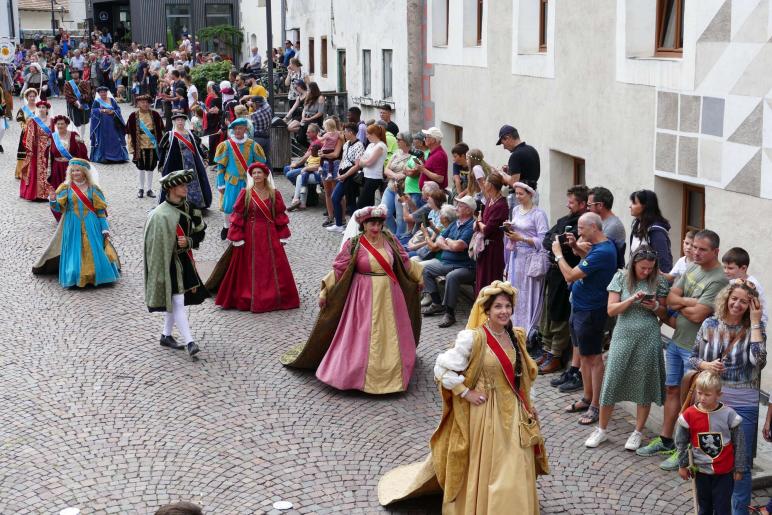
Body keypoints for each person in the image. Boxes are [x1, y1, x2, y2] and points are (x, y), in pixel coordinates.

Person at [377, 281, 548, 513]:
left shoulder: (516, 337)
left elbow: (523, 377)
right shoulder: (473, 338)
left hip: (514, 409)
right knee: (492, 464)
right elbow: (442, 369)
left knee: (516, 461)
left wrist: (530, 405)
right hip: (485, 412)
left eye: (507, 306)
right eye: (498, 306)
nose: (504, 311)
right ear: (486, 310)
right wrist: (466, 392)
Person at [280, 205, 424, 395]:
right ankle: (355, 374)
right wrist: (326, 290)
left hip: (390, 294)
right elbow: (340, 269)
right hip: (362, 296)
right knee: (362, 333)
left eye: (379, 224)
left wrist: (418, 277)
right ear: (363, 225)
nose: (376, 228)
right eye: (372, 224)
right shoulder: (354, 244)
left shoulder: (389, 240)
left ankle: (390, 372)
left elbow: (404, 260)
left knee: (389, 332)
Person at [636, 230, 729, 470]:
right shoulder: (692, 267)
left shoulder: (718, 279)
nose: (695, 252)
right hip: (677, 340)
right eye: (694, 247)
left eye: (702, 249)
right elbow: (671, 300)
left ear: (715, 252)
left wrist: (684, 302)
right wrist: (691, 301)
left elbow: (700, 315)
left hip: (696, 349)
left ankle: (685, 450)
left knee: (694, 399)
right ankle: (667, 439)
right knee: (672, 390)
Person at [688, 280, 765, 513]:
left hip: (744, 404)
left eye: (744, 301)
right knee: (708, 459)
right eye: (734, 299)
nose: (737, 304)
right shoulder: (709, 324)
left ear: (751, 305)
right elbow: (692, 357)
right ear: (726, 298)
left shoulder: (756, 328)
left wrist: (754, 323)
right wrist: (705, 364)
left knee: (741, 463)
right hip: (711, 403)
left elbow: (759, 361)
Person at [583, 246, 670, 449]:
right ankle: (602, 430)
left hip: (648, 336)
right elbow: (611, 310)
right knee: (612, 380)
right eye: (643, 268)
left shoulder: (659, 281)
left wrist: (656, 307)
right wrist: (631, 300)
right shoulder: (621, 277)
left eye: (650, 268)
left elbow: (665, 314)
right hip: (623, 334)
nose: (647, 272)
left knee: (644, 383)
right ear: (634, 265)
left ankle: (637, 432)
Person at [206, 162, 300, 313]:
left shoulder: (274, 194)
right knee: (250, 266)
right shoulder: (246, 193)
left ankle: (274, 297)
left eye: (259, 173)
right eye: (254, 173)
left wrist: (282, 235)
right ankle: (249, 297)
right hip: (250, 235)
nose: (256, 175)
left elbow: (279, 215)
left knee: (272, 267)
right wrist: (237, 236)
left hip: (270, 235)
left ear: (265, 175)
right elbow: (237, 216)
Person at [553, 212, 618, 425]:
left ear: (593, 227)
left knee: (593, 358)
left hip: (591, 311)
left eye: (581, 229)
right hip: (580, 307)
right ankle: (587, 397)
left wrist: (559, 255)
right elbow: (587, 262)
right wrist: (575, 248)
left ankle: (596, 405)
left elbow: (571, 275)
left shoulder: (604, 251)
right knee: (585, 356)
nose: (578, 233)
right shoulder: (597, 248)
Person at [143, 169, 209, 358]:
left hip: (184, 261)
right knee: (178, 300)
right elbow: (153, 246)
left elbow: (200, 232)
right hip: (167, 263)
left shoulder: (192, 208)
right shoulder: (159, 214)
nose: (185, 188)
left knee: (176, 300)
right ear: (171, 189)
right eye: (181, 185)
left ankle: (166, 335)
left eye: (186, 185)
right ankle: (190, 342)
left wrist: (189, 241)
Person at [33, 158, 120, 288]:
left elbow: (100, 211)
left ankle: (95, 276)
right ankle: (75, 276)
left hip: (91, 223)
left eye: (78, 170)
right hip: (72, 223)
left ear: (85, 172)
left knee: (93, 249)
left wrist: (105, 228)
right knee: (75, 250)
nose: (75, 173)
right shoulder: (65, 188)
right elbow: (58, 208)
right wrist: (52, 201)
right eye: (72, 171)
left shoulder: (93, 189)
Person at [675, 373, 746, 515]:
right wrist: (682, 465)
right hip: (701, 471)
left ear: (719, 394)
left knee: (722, 509)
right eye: (699, 393)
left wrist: (739, 468)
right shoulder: (689, 415)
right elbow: (681, 442)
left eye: (707, 394)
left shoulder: (729, 414)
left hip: (724, 472)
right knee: (704, 507)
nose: (702, 398)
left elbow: (739, 442)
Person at [537, 186, 586, 378]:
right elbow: (547, 240)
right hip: (553, 272)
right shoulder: (564, 220)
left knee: (559, 314)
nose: (568, 205)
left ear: (582, 204)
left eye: (572, 202)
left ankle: (556, 354)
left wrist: (557, 244)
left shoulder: (581, 224)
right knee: (548, 313)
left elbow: (562, 246)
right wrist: (555, 243)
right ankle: (547, 350)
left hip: (565, 274)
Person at [422, 195, 477, 328]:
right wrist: (449, 245)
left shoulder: (471, 226)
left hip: (465, 266)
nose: (456, 208)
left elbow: (459, 246)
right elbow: (440, 239)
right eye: (457, 205)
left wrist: (448, 243)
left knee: (452, 277)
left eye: (460, 206)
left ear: (469, 210)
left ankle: (450, 313)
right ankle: (436, 303)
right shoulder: (455, 223)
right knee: (424, 268)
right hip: (447, 263)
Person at [504, 182, 549, 338]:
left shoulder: (538, 214)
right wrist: (509, 229)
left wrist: (521, 238)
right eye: (516, 193)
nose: (518, 197)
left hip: (530, 259)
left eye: (521, 194)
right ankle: (513, 325)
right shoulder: (516, 210)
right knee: (515, 291)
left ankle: (528, 331)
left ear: (530, 194)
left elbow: (543, 240)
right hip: (516, 257)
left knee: (528, 293)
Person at [214, 118, 267, 240]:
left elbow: (261, 164)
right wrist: (220, 183)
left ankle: (245, 227)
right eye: (236, 129)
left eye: (240, 128)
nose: (238, 131)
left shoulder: (253, 145)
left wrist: (259, 180)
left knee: (248, 206)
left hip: (248, 181)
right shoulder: (226, 145)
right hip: (231, 181)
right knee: (228, 206)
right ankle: (226, 226)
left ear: (245, 129)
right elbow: (220, 167)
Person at [158, 113, 212, 210]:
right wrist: (161, 163)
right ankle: (178, 205)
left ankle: (195, 205)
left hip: (193, 165)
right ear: (174, 122)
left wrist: (204, 158)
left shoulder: (190, 134)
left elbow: (198, 148)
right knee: (178, 184)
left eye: (182, 120)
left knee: (194, 184)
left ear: (185, 122)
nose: (180, 122)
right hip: (176, 165)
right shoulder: (170, 135)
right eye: (178, 120)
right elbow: (162, 150)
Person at [473, 173, 509, 295]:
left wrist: (479, 222)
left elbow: (487, 229)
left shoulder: (501, 205)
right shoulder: (489, 200)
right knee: (481, 280)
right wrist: (480, 223)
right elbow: (482, 223)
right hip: (484, 248)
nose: (484, 184)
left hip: (494, 250)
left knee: (490, 280)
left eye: (486, 182)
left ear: (492, 186)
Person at [328, 122, 365, 232]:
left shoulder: (359, 145)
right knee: (335, 197)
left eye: (345, 131)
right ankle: (339, 224)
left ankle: (354, 227)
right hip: (343, 174)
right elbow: (343, 160)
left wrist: (345, 175)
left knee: (351, 202)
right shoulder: (346, 144)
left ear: (351, 132)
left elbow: (357, 165)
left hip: (351, 176)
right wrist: (340, 173)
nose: (344, 133)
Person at [126, 94, 165, 199]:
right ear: (138, 103)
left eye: (147, 102)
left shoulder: (156, 115)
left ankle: (149, 189)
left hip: (153, 146)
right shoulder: (133, 116)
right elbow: (129, 133)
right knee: (140, 167)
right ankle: (141, 188)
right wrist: (131, 147)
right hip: (140, 146)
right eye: (142, 102)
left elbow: (162, 131)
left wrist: (162, 146)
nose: (145, 104)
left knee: (151, 168)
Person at [48, 115, 88, 209]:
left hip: (72, 169)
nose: (60, 126)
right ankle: (61, 212)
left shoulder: (74, 135)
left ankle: (75, 210)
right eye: (58, 124)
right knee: (59, 190)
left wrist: (84, 165)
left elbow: (83, 150)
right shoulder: (52, 137)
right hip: (57, 168)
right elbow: (48, 154)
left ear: (67, 125)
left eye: (62, 124)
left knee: (73, 190)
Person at [628, 189, 673, 272]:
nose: (630, 206)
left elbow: (663, 263)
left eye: (634, 203)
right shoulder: (637, 224)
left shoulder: (656, 232)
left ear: (645, 206)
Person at [722, 247, 768, 323]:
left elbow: (756, 312)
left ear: (743, 268)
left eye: (730, 268)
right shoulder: (733, 280)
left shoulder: (752, 285)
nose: (725, 271)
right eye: (724, 267)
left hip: (752, 325)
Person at [381, 131, 413, 237]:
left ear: (406, 141)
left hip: (402, 189)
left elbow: (408, 172)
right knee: (384, 213)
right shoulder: (396, 153)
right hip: (391, 186)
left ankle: (399, 239)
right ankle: (395, 236)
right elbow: (386, 170)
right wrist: (395, 175)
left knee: (400, 217)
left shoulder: (412, 155)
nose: (397, 141)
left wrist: (398, 175)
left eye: (399, 140)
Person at [20, 100, 52, 201]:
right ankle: (36, 194)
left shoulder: (52, 121)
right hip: (36, 149)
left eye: (44, 107)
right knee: (35, 170)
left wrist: (51, 142)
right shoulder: (34, 120)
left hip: (48, 148)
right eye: (40, 107)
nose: (42, 109)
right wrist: (31, 147)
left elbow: (55, 134)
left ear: (47, 109)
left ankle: (46, 193)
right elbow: (29, 135)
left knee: (48, 168)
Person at [89, 86, 129, 163]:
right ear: (99, 93)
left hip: (113, 124)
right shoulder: (97, 101)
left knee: (115, 139)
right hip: (102, 126)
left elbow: (118, 109)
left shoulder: (112, 100)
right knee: (104, 140)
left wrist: (113, 112)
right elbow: (93, 111)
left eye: (104, 92)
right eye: (101, 92)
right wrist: (103, 110)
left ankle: (119, 157)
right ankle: (105, 158)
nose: (103, 93)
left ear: (107, 93)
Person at [588, 186, 626, 265]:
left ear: (600, 205)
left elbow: (594, 250)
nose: (587, 208)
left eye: (589, 204)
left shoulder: (613, 226)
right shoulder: (598, 221)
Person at [495, 124, 540, 191]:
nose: (504, 147)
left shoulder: (515, 156)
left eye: (503, 143)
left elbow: (514, 182)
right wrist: (511, 171)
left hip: (520, 197)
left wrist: (502, 174)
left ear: (507, 138)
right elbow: (527, 173)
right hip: (532, 194)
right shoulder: (532, 150)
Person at [356, 124, 388, 208]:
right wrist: (363, 161)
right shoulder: (370, 145)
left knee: (361, 203)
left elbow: (369, 162)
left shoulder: (380, 146)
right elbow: (363, 159)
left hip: (374, 178)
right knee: (368, 203)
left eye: (367, 134)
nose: (366, 136)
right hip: (366, 176)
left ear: (373, 134)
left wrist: (362, 162)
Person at [287, 142, 322, 211]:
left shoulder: (321, 156)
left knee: (299, 177)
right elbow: (306, 162)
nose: (311, 152)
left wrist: (306, 168)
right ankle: (299, 200)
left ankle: (298, 200)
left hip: (320, 174)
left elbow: (320, 166)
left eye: (313, 150)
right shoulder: (311, 156)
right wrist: (306, 167)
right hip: (310, 171)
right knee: (301, 176)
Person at [15, 88, 38, 180]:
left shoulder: (39, 107)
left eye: (33, 96)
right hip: (25, 133)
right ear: (27, 97)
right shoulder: (23, 109)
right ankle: (20, 172)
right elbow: (19, 119)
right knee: (23, 151)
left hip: (36, 134)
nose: (32, 98)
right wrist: (24, 126)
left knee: (34, 152)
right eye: (30, 96)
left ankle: (32, 172)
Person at [62, 68, 91, 139]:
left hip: (84, 104)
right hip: (73, 106)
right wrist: (77, 103)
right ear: (71, 75)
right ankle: (76, 137)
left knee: (83, 122)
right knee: (75, 122)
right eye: (73, 73)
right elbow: (68, 96)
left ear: (79, 74)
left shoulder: (85, 82)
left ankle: (82, 137)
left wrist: (83, 97)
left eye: (76, 72)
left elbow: (88, 93)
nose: (75, 74)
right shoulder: (68, 84)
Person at [0, 80, 12, 154]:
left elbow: (3, 100)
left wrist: (3, 107)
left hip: (0, 110)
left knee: (2, 128)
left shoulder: (0, 88)